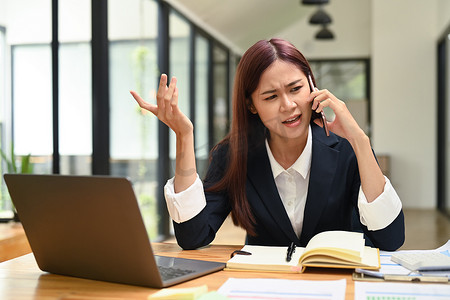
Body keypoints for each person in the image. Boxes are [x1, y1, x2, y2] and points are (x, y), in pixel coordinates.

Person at [130, 38, 404, 251]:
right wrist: (184, 137)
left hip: (338, 284)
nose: (288, 106)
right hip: (265, 285)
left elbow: (390, 239)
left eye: (296, 89)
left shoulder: (344, 148)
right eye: (271, 97)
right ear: (251, 105)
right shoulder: (234, 155)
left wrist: (360, 141)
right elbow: (193, 237)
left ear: (312, 86)